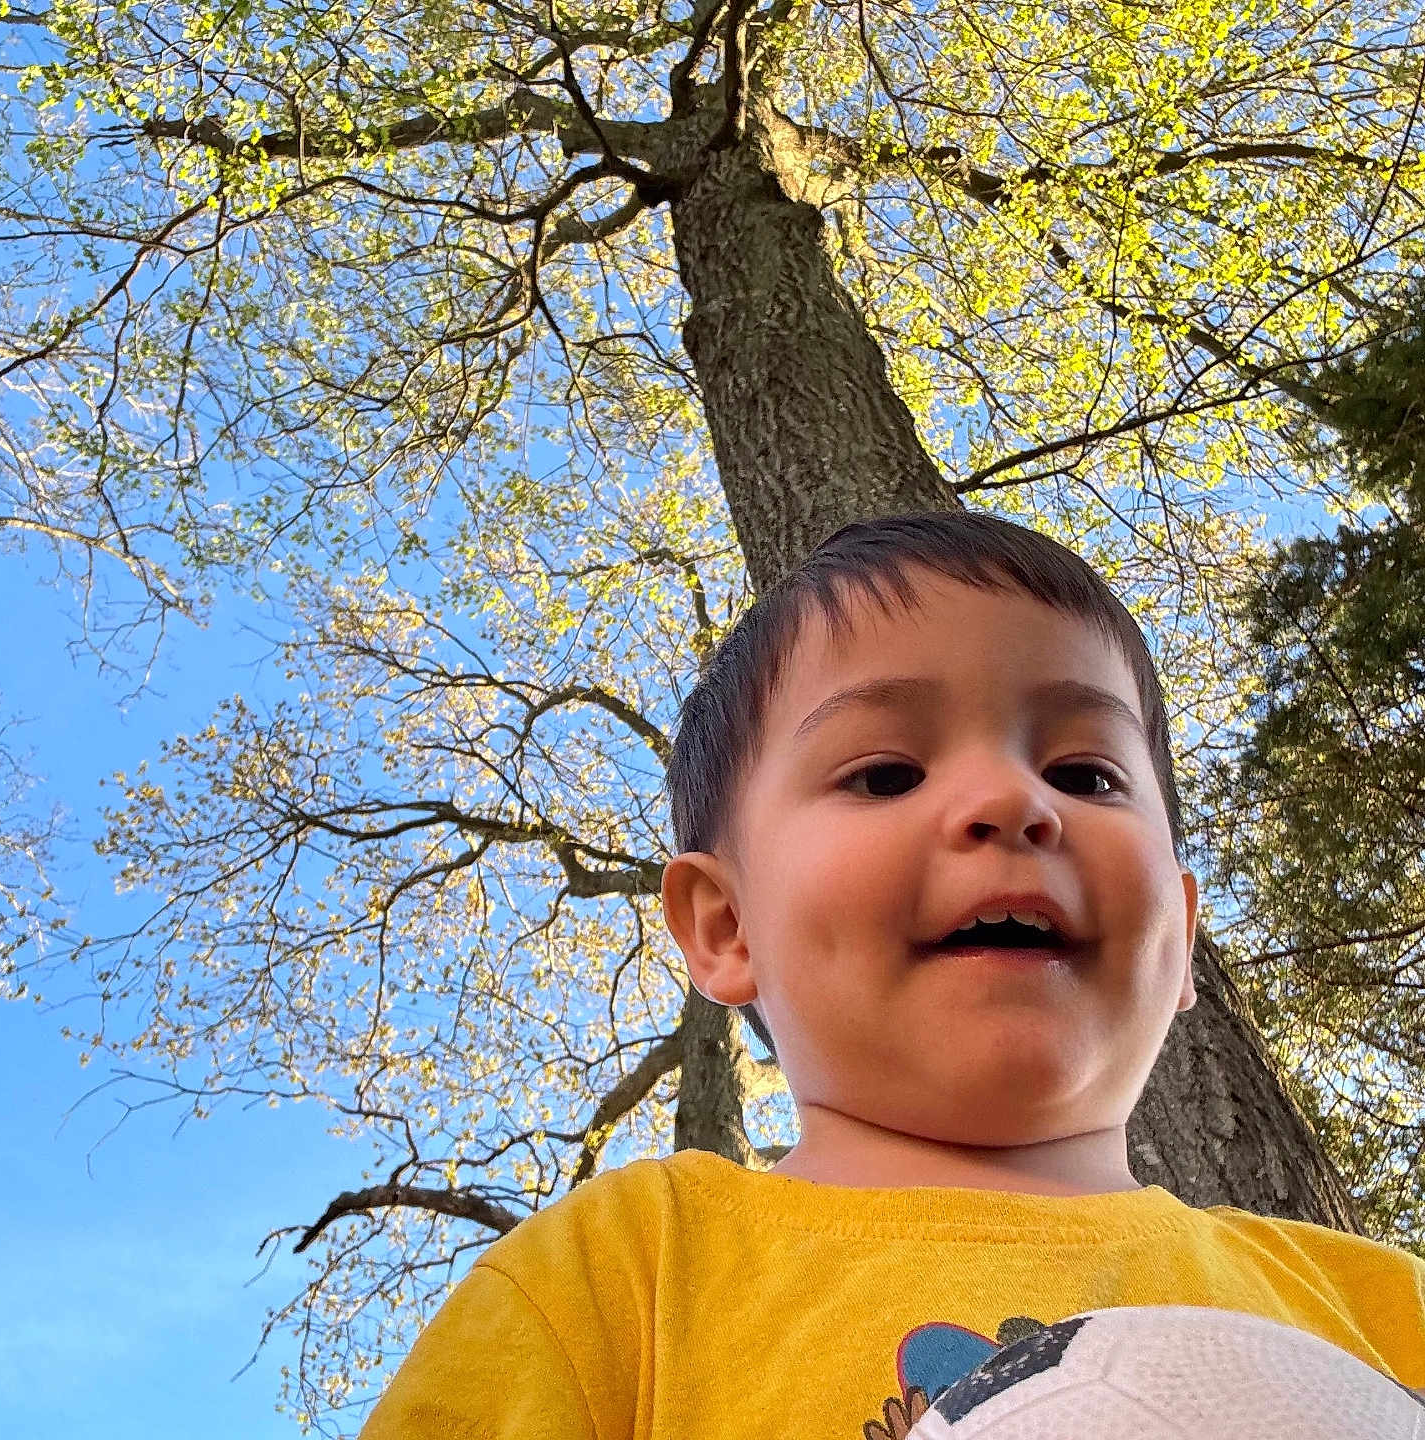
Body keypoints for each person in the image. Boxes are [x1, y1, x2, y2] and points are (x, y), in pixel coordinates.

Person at [359, 511, 1425, 1440]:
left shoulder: (1382, 1308)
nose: (1012, 802)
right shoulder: (617, 1279)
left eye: (1084, 772)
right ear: (727, 927)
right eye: (885, 773)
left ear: (1183, 936)